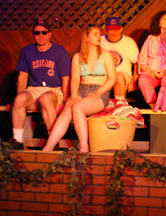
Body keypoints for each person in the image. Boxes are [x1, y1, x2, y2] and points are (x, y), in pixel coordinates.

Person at [41, 24, 116, 152]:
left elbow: (112, 79)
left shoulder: (105, 55)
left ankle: (84, 147)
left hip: (100, 92)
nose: (99, 37)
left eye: (99, 34)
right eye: (95, 34)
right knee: (67, 109)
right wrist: (73, 96)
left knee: (77, 107)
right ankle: (49, 147)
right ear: (86, 37)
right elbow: (75, 79)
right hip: (82, 90)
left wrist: (98, 92)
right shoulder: (78, 57)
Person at [11, 19, 71, 146]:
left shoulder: (59, 51)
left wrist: (65, 100)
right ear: (33, 35)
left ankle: (53, 141)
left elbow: (66, 78)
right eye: (37, 33)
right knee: (19, 99)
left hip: (54, 90)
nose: (41, 35)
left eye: (44, 32)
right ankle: (17, 140)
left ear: (49, 34)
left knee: (45, 98)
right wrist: (19, 98)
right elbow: (22, 77)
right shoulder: (27, 51)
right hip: (34, 89)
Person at [100, 16, 139, 104]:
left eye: (116, 29)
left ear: (121, 29)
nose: (114, 32)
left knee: (118, 76)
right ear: (106, 30)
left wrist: (134, 80)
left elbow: (137, 62)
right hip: (104, 75)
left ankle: (121, 104)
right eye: (111, 29)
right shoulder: (100, 40)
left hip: (123, 75)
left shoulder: (129, 42)